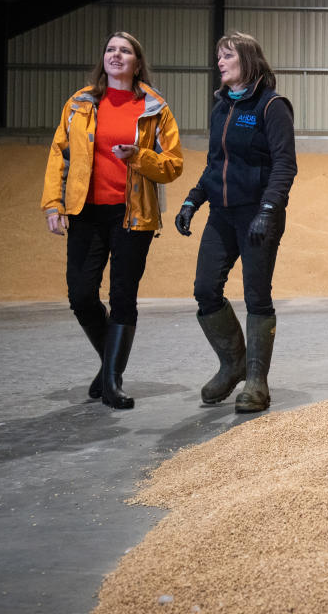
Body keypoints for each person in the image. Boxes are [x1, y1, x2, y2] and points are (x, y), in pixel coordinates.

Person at [42, 31, 184, 410]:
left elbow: (172, 165)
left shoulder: (155, 107)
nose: (116, 55)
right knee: (81, 295)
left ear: (138, 62)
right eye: (110, 49)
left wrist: (138, 155)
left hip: (132, 214)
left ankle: (111, 381)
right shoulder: (80, 103)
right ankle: (110, 368)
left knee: (123, 296)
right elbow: (60, 153)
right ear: (103, 58)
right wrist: (52, 203)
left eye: (125, 51)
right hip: (85, 212)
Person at [174, 32, 297, 413]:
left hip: (258, 214)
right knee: (205, 288)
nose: (219, 63)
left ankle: (257, 381)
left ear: (247, 59)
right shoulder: (221, 107)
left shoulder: (272, 105)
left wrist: (268, 209)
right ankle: (233, 364)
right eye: (218, 57)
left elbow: (284, 164)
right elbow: (215, 165)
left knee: (256, 295)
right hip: (222, 214)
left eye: (226, 56)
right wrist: (193, 199)